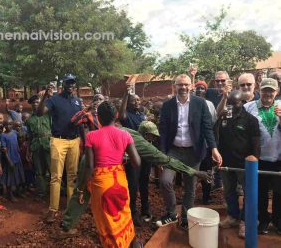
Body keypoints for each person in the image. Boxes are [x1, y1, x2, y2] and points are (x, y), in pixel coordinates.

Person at [60, 122, 212, 236]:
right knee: (88, 193)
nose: (153, 140)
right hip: (95, 165)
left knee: (82, 192)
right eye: (152, 137)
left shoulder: (129, 131)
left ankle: (66, 224)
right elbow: (164, 160)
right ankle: (111, 231)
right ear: (147, 135)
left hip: (89, 160)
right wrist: (193, 172)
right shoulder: (138, 141)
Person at [157, 74, 222, 230]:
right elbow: (163, 132)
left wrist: (213, 148)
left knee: (190, 187)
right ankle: (172, 213)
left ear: (191, 86)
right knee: (165, 181)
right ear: (175, 86)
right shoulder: (168, 105)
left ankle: (186, 218)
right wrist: (162, 154)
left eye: (186, 84)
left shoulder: (200, 104)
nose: (183, 87)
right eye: (180, 85)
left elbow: (207, 127)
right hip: (174, 151)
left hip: (194, 152)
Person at [77, 101, 142, 247]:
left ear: (98, 117)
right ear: (117, 115)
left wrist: (80, 189)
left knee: (106, 219)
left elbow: (89, 166)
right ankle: (131, 242)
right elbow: (137, 162)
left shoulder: (91, 136)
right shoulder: (125, 134)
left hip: (102, 184)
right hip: (120, 180)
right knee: (124, 213)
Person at [215, 90, 260, 238]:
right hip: (226, 162)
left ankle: (245, 222)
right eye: (230, 103)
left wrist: (255, 158)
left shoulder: (250, 120)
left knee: (248, 193)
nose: (232, 106)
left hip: (244, 163)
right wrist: (218, 119)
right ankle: (233, 217)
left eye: (235, 103)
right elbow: (215, 135)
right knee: (229, 191)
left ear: (242, 103)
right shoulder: (224, 118)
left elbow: (256, 142)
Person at [38, 74, 82, 222]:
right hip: (58, 141)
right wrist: (45, 96)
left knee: (72, 176)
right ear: (63, 84)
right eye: (68, 83)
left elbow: (80, 120)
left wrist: (83, 139)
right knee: (56, 176)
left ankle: (70, 207)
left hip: (74, 141)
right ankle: (53, 209)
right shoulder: (54, 100)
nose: (71, 85)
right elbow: (39, 112)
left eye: (73, 83)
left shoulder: (77, 101)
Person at [244, 78, 281, 234]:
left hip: (279, 158)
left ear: (277, 92)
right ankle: (263, 220)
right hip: (258, 158)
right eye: (265, 90)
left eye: (271, 90)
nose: (268, 93)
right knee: (260, 192)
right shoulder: (248, 107)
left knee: (279, 192)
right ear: (259, 90)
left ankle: (278, 221)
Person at [118, 85, 147, 226]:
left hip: (145, 153)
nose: (137, 102)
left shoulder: (141, 115)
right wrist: (125, 94)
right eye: (134, 100)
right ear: (128, 103)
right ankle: (132, 211)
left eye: (138, 100)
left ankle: (146, 210)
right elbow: (121, 114)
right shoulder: (126, 116)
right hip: (132, 155)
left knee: (144, 183)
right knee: (133, 184)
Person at [194, 80, 217, 205]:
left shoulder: (210, 104)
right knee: (192, 171)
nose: (199, 90)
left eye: (202, 88)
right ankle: (190, 197)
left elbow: (212, 122)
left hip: (206, 145)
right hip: (191, 145)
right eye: (197, 88)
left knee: (207, 171)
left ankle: (206, 196)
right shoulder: (189, 103)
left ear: (205, 90)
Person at [25, 95, 51, 197]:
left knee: (52, 169)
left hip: (49, 144)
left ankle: (55, 191)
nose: (36, 104)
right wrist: (28, 150)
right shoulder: (29, 120)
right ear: (31, 105)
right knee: (39, 171)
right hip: (36, 146)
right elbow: (30, 136)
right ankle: (42, 191)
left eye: (37, 102)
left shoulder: (48, 115)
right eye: (34, 103)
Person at [0, 119, 25, 201]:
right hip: (9, 159)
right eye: (6, 125)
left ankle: (18, 191)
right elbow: (4, 150)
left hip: (16, 157)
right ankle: (10, 194)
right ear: (4, 126)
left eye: (10, 124)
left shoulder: (14, 132)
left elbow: (20, 140)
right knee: (9, 178)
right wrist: (9, 161)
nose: (8, 126)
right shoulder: (3, 135)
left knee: (18, 175)